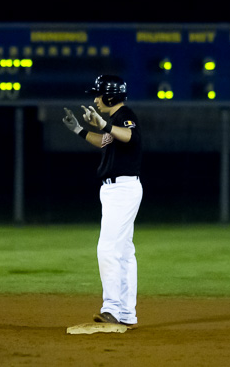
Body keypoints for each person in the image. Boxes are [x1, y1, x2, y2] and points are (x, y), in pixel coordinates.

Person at [62, 74, 143, 329]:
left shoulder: (125, 115)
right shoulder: (114, 121)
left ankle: (111, 309)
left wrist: (105, 125)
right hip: (118, 189)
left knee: (107, 248)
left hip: (122, 189)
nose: (96, 99)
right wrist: (78, 129)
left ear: (110, 95)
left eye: (98, 94)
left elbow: (129, 136)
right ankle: (127, 313)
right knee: (124, 253)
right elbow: (105, 142)